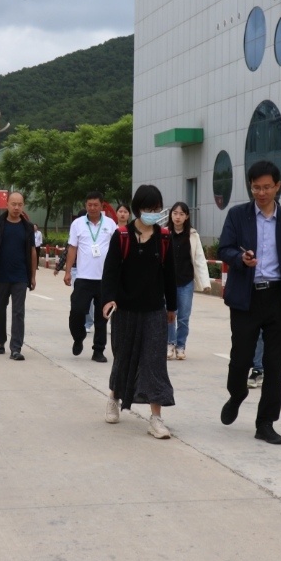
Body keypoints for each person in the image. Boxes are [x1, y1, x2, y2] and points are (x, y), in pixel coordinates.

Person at [217, 160, 281, 445]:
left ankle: (265, 423)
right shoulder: (238, 215)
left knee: (274, 365)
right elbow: (224, 248)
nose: (262, 193)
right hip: (247, 297)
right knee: (240, 359)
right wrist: (240, 258)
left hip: (278, 298)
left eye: (267, 187)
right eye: (256, 187)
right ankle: (237, 394)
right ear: (250, 186)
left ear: (277, 186)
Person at [101, 185, 177, 438]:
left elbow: (170, 274)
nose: (153, 213)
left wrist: (172, 307)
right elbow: (110, 271)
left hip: (154, 310)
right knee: (123, 357)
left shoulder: (164, 238)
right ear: (137, 209)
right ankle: (114, 398)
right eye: (148, 208)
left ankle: (156, 418)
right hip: (125, 309)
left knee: (155, 363)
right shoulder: (122, 235)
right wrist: (108, 299)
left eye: (157, 208)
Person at [0, 192, 37, 360]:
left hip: (20, 276)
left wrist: (32, 276)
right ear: (7, 204)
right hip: (0, 275)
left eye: (20, 204)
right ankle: (0, 340)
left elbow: (33, 252)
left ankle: (16, 348)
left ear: (23, 205)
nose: (16, 207)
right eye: (13, 204)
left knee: (18, 312)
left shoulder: (28, 227)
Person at [64, 192, 117, 362]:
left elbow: (116, 250)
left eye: (96, 205)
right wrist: (67, 271)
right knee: (77, 311)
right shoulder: (77, 224)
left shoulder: (110, 224)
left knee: (102, 317)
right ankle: (78, 337)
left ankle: (98, 350)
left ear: (102, 206)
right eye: (89, 205)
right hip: (83, 277)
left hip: (104, 279)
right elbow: (72, 248)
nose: (92, 208)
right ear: (85, 205)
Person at [166, 202, 212, 361]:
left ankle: (181, 346)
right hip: (168, 283)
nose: (177, 217)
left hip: (186, 282)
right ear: (171, 215)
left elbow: (199, 259)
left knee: (183, 317)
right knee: (169, 315)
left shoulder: (193, 236)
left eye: (181, 214)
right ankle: (170, 343)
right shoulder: (164, 234)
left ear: (187, 216)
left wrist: (205, 283)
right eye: (175, 213)